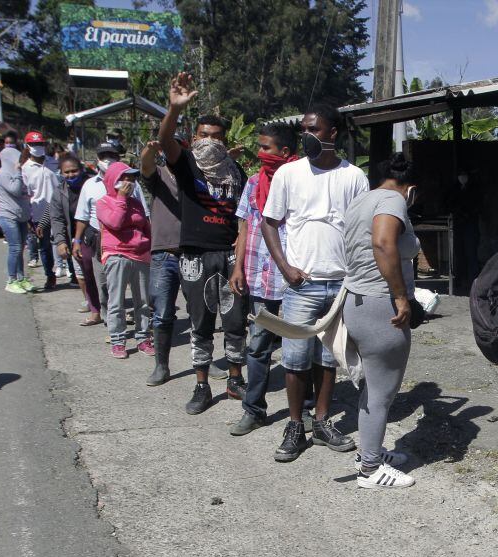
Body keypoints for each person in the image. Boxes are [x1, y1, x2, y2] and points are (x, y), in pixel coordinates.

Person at [261, 102, 369, 461]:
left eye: (314, 130)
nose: (307, 135)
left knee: (328, 358)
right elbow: (268, 222)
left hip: (339, 284)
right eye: (304, 130)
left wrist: (355, 276)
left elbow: (360, 230)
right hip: (301, 285)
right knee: (294, 358)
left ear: (332, 134)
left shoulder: (353, 177)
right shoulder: (288, 175)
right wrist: (285, 267)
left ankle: (322, 422)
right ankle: (295, 425)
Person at [158, 72, 249, 415]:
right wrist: (174, 108)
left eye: (216, 136)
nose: (210, 141)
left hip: (229, 256)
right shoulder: (187, 165)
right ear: (194, 137)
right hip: (195, 257)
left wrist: (240, 260)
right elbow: (166, 138)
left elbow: (243, 220)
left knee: (237, 321)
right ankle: (201, 385)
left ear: (225, 140)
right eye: (204, 135)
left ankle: (235, 379)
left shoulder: (235, 170)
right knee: (201, 324)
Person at [342, 153, 422, 488]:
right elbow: (382, 242)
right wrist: (401, 297)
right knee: (381, 392)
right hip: (380, 306)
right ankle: (371, 470)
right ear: (411, 188)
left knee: (373, 387)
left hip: (357, 301)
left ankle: (369, 451)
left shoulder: (362, 200)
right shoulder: (393, 200)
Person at [227, 124, 298, 435]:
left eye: (266, 148)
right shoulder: (254, 182)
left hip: (295, 278)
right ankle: (254, 409)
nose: (260, 153)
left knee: (301, 347)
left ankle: (305, 411)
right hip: (260, 278)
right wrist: (238, 267)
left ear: (284, 152)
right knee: (258, 347)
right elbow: (244, 228)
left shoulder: (302, 183)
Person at [73, 143, 144, 328]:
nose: (108, 159)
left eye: (112, 155)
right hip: (100, 240)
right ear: (97, 158)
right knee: (103, 283)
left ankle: (132, 324)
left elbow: (145, 215)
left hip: (131, 244)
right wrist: (77, 240)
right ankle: (109, 320)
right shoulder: (90, 185)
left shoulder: (132, 186)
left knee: (133, 287)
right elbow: (83, 216)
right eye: (103, 155)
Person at [97, 162, 153, 359]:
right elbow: (115, 222)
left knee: (144, 301)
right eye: (125, 178)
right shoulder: (103, 202)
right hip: (117, 255)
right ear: (114, 180)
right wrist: (121, 198)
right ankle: (118, 340)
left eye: (132, 178)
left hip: (140, 255)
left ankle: (143, 337)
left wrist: (149, 245)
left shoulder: (137, 203)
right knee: (117, 301)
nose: (130, 182)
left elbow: (146, 225)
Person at [140, 139, 183, 386]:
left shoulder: (195, 176)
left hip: (192, 253)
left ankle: (204, 362)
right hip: (163, 254)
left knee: (201, 314)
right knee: (162, 312)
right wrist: (150, 150)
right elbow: (145, 165)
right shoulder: (158, 175)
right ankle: (161, 366)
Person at [41, 155, 92, 314]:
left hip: (94, 235)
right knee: (80, 273)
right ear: (61, 173)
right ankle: (89, 301)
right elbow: (56, 218)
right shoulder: (59, 191)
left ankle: (104, 302)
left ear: (81, 170)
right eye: (66, 172)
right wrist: (60, 242)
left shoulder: (91, 184)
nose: (71, 175)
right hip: (74, 237)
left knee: (97, 272)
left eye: (74, 171)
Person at [22, 131, 59, 289]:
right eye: (34, 145)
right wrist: (29, 217)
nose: (38, 148)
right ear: (28, 147)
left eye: (40, 144)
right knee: (45, 247)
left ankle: (71, 272)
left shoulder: (53, 162)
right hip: (39, 212)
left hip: (58, 209)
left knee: (61, 242)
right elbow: (26, 193)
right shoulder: (26, 169)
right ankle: (50, 275)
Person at [0, 146, 33, 294]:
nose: (19, 162)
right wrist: (18, 172)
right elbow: (16, 190)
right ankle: (11, 280)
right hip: (8, 216)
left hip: (22, 217)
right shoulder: (3, 174)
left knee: (21, 248)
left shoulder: (18, 173)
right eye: (17, 160)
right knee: (15, 248)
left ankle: (21, 278)